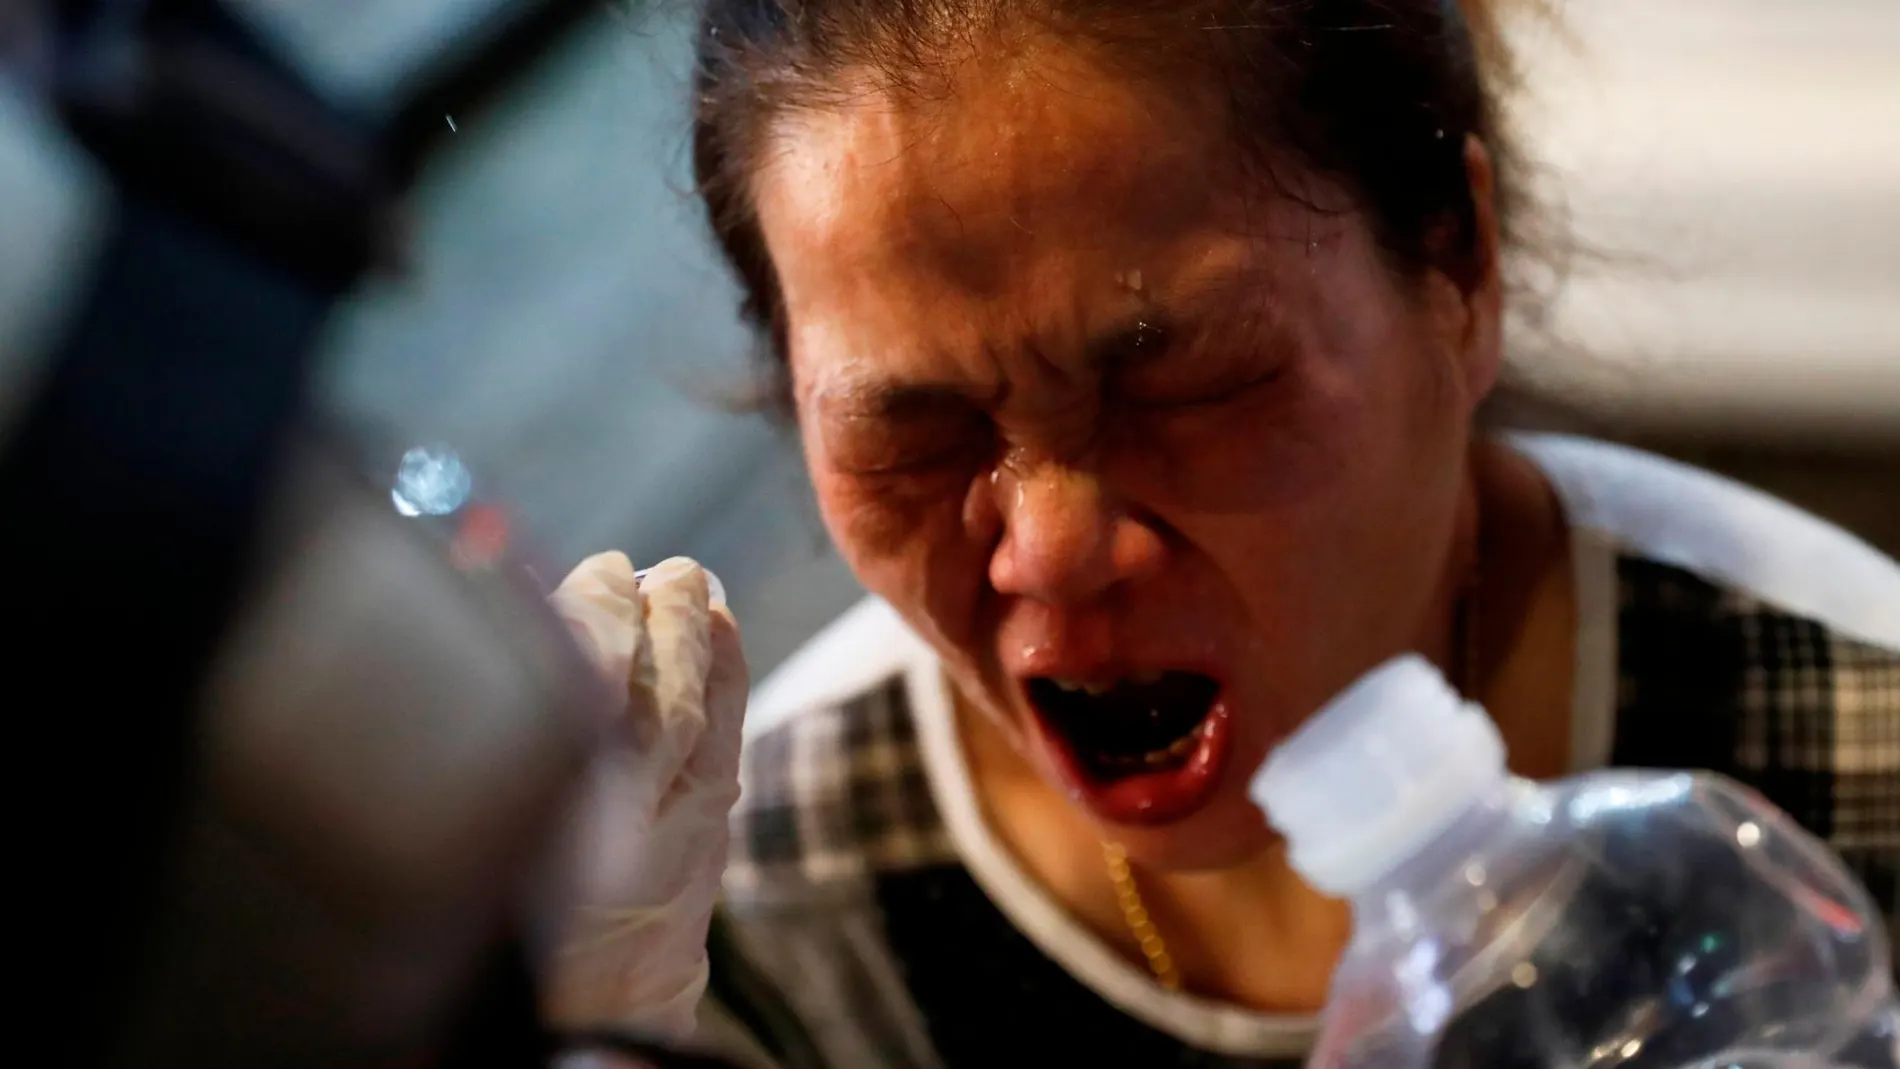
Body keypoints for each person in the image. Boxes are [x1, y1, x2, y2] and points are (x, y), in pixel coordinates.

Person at [677, 0, 1900, 1066]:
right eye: (919, 434)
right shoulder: (762, 925)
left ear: (1458, 268)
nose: (1051, 552)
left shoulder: (1855, 764)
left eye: (1186, 385)